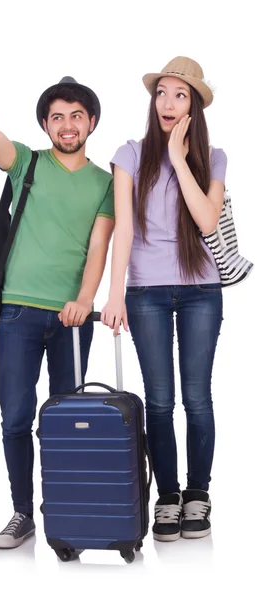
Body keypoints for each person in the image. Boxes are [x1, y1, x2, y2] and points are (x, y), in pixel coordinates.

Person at [0, 49, 115, 549]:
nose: (67, 124)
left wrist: (84, 298)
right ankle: (21, 512)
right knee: (16, 415)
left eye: (76, 115)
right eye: (57, 116)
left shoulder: (105, 183)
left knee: (66, 420)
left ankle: (66, 509)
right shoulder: (28, 164)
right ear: (46, 124)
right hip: (16, 312)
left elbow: (100, 246)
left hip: (72, 318)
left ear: (91, 122)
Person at [101, 56, 226, 542]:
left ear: (194, 106)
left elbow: (208, 221)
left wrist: (178, 156)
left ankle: (198, 493)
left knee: (197, 397)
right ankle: (168, 497)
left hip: (201, 291)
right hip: (145, 292)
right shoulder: (130, 154)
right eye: (162, 93)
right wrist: (115, 295)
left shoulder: (213, 158)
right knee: (159, 400)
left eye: (180, 95)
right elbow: (124, 228)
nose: (168, 103)